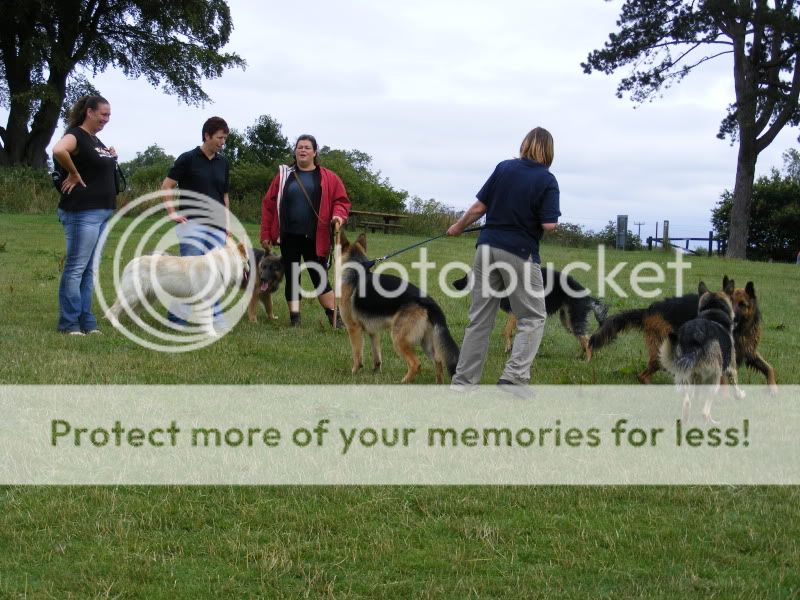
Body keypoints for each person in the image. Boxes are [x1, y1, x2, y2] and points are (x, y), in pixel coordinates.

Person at [447, 127, 560, 395]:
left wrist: (458, 226)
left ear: (524, 145)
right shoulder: (547, 179)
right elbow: (549, 224)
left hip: (486, 249)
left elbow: (478, 208)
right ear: (549, 151)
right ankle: (514, 378)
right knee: (532, 316)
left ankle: (463, 383)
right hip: (519, 253)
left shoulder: (503, 168)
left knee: (479, 319)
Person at [260, 134, 350, 327]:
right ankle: (295, 319)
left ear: (315, 152)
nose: (302, 150)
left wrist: (338, 217)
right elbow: (268, 204)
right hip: (288, 235)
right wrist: (266, 233)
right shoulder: (284, 176)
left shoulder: (328, 177)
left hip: (315, 237)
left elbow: (341, 201)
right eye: (299, 147)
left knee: (319, 276)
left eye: (307, 147)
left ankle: (334, 317)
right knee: (293, 275)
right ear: (295, 151)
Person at [52, 95, 118, 335]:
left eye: (109, 115)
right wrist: (72, 172)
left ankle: (86, 322)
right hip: (82, 212)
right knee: (76, 268)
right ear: (89, 112)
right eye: (103, 114)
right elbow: (59, 150)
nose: (106, 119)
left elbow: (97, 167)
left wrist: (111, 156)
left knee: (90, 269)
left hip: (102, 212)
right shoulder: (76, 135)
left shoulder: (95, 139)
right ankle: (69, 323)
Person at [160, 116, 231, 330]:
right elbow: (166, 186)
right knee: (189, 276)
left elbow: (224, 195)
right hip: (192, 225)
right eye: (219, 137)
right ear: (207, 135)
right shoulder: (188, 159)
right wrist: (172, 213)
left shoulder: (223, 163)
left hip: (217, 227)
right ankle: (176, 321)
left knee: (215, 275)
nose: (222, 142)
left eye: (225, 138)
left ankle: (216, 321)